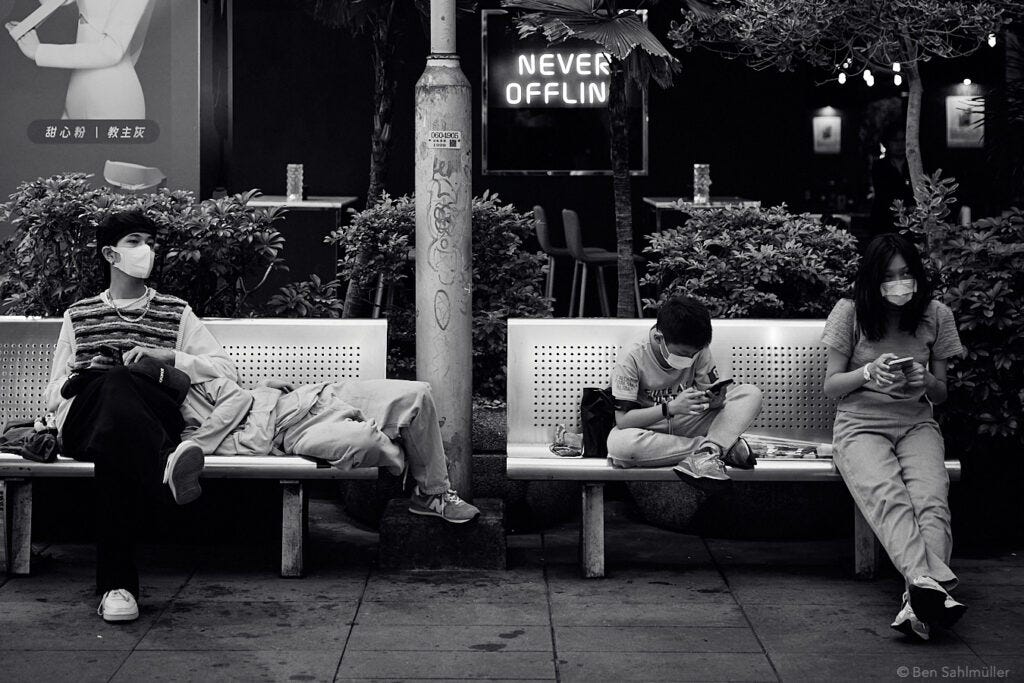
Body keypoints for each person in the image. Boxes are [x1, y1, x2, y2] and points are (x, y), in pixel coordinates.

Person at [45, 210, 236, 624]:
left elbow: (224, 368)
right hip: (87, 420)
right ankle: (165, 461)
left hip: (137, 426)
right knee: (112, 384)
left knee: (115, 445)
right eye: (134, 241)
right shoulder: (78, 315)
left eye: (149, 240)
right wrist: (80, 378)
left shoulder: (175, 311)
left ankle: (119, 587)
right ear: (110, 254)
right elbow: (52, 394)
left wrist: (167, 356)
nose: (145, 250)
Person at [821, 233, 966, 641]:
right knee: (890, 498)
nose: (899, 283)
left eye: (906, 274)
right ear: (872, 279)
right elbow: (832, 387)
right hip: (860, 423)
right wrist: (868, 372)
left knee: (932, 501)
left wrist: (925, 380)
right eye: (889, 276)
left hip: (917, 422)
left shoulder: (936, 313)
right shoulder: (850, 312)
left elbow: (942, 392)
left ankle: (917, 604)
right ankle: (930, 591)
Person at [170, 374, 480, 525]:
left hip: (314, 397)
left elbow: (242, 400)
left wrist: (215, 434)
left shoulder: (201, 391)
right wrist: (252, 413)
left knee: (417, 392)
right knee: (365, 443)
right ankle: (400, 447)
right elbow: (256, 443)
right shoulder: (185, 435)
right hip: (295, 434)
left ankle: (432, 493)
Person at [606, 295, 763, 482]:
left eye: (694, 354)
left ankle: (708, 452)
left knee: (750, 394)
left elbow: (711, 401)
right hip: (649, 428)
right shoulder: (632, 356)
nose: (689, 358)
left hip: (690, 421)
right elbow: (623, 420)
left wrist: (716, 402)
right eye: (682, 354)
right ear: (659, 338)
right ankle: (712, 449)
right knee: (621, 448)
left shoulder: (698, 349)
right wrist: (669, 408)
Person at [6, 0, 156, 119]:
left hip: (112, 98)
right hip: (74, 93)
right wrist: (26, 26)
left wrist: (40, 51)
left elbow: (112, 50)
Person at [869, 129, 914, 236]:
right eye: (895, 141)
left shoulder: (913, 165)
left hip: (911, 220)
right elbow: (882, 193)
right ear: (888, 143)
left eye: (903, 140)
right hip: (884, 219)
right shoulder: (879, 165)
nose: (900, 144)